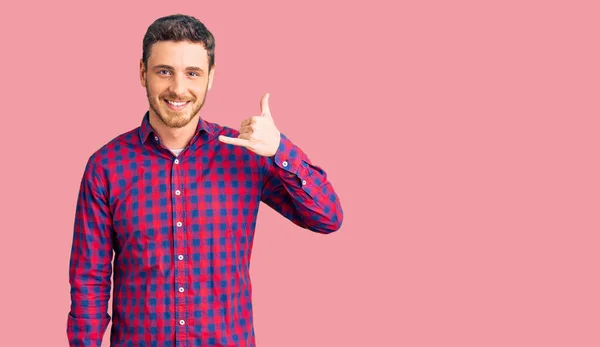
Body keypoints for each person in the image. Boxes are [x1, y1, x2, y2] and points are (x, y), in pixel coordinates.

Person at [66, 13, 343, 347]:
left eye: (192, 73)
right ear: (143, 73)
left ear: (210, 77)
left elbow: (328, 218)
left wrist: (280, 149)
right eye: (164, 71)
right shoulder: (106, 166)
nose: (178, 88)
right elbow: (89, 282)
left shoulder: (246, 155)